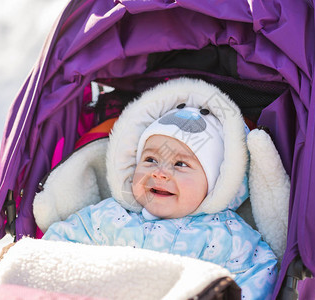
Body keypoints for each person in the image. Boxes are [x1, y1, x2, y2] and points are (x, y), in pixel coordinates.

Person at [42, 78, 278, 299]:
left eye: (181, 164)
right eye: (150, 160)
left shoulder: (227, 235)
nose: (159, 172)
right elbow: (59, 245)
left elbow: (259, 275)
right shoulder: (109, 217)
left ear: (216, 183)